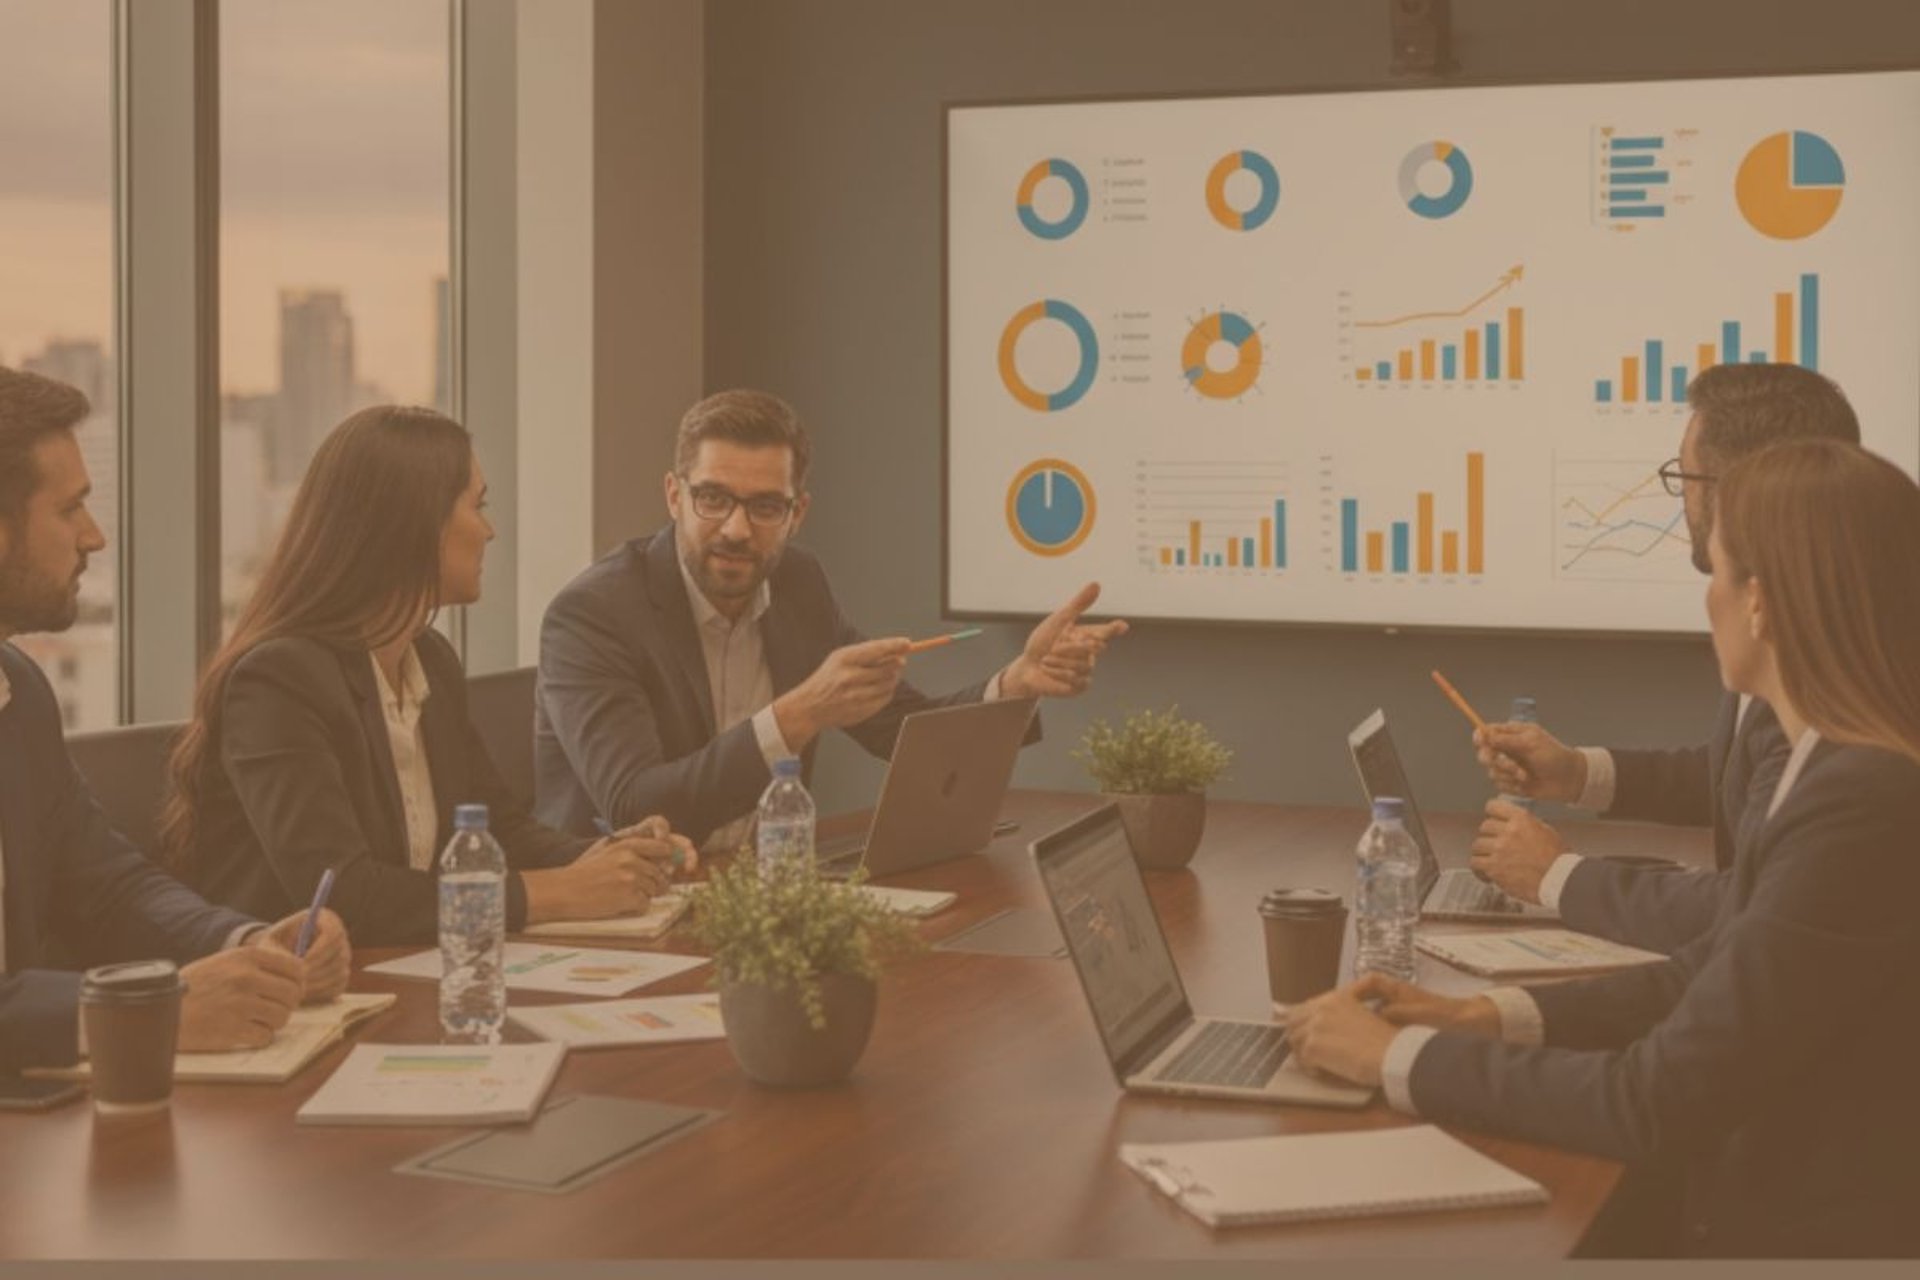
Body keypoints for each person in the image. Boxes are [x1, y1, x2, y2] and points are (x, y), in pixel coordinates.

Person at [1288, 440, 1920, 1257]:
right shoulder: (1832, 763)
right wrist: (1487, 1016)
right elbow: (1712, 972)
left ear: (1759, 603)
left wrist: (1399, 1057)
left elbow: (1650, 1102)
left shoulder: (1860, 804)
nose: (1708, 601)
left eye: (1716, 573)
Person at [161, 406, 693, 947]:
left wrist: (607, 858)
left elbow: (499, 831)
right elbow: (341, 895)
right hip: (298, 999)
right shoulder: (277, 680)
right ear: (412, 523)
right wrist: (556, 892)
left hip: (409, 971)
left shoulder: (428, 657)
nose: (489, 530)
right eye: (477, 505)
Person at [534, 390, 1128, 848]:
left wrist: (1015, 686)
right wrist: (800, 713)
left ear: (798, 513)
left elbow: (898, 727)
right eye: (712, 499)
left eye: (766, 506)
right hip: (621, 918)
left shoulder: (798, 583)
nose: (737, 530)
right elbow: (636, 807)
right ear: (673, 495)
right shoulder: (595, 613)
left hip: (762, 893)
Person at [0, 366, 349, 1071]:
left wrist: (245, 943)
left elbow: (108, 884)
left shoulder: (21, 690)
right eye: (71, 510)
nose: (94, 538)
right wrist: (145, 1011)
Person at [1468, 363, 1858, 953]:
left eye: (1686, 476)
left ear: (1734, 490)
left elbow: (1753, 908)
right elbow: (1740, 778)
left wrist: (1557, 875)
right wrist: (1576, 773)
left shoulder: (1828, 677)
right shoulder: (1799, 614)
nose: (1683, 499)